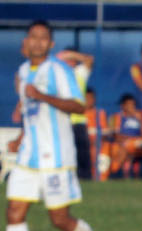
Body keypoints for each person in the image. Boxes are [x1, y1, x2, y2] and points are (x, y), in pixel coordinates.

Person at [0, 20, 120, 231]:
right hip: (28, 156)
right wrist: (20, 136)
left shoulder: (60, 70)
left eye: (43, 38)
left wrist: (42, 95)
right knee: (14, 211)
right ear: (26, 41)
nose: (37, 42)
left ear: (51, 44)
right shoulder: (24, 71)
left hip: (56, 157)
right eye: (33, 37)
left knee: (60, 219)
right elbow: (31, 113)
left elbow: (78, 105)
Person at [59, 47, 93, 180]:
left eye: (72, 60)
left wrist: (73, 55)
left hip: (78, 120)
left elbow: (89, 60)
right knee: (65, 153)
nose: (69, 62)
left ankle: (85, 178)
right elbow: (54, 59)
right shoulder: (58, 74)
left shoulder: (79, 72)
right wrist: (66, 55)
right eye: (67, 59)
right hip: (62, 120)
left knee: (82, 153)